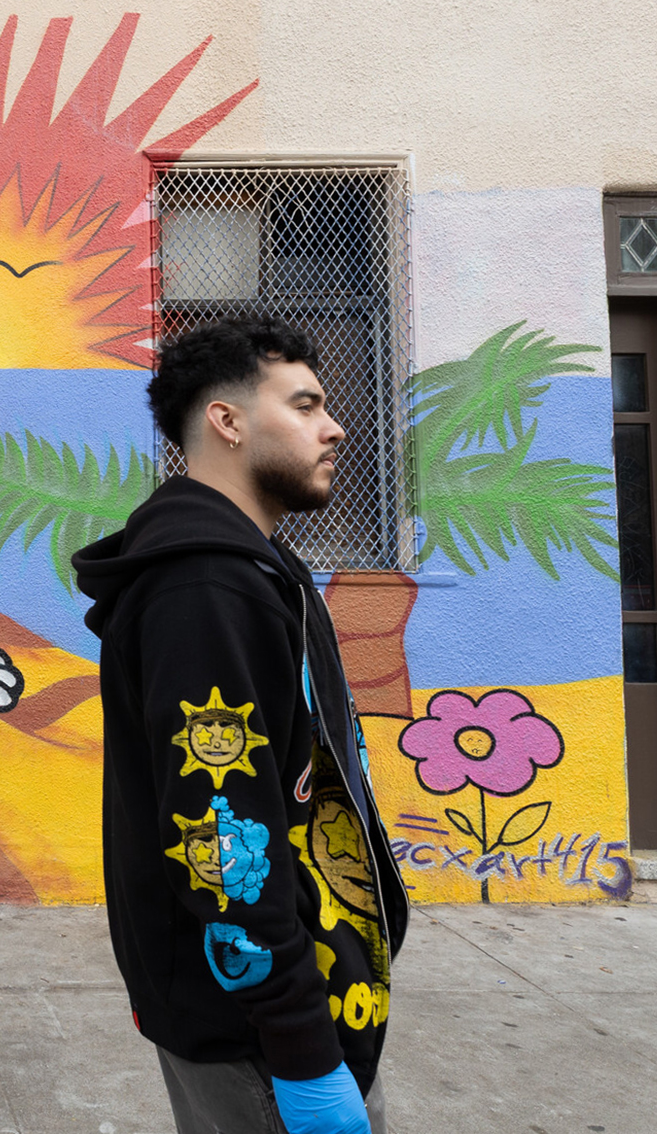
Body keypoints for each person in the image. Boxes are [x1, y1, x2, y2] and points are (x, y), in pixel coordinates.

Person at [71, 319, 409, 1134]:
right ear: (228, 421)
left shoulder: (251, 565)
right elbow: (222, 830)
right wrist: (300, 1049)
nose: (334, 427)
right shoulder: (206, 587)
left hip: (280, 1005)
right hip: (261, 1032)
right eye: (305, 405)